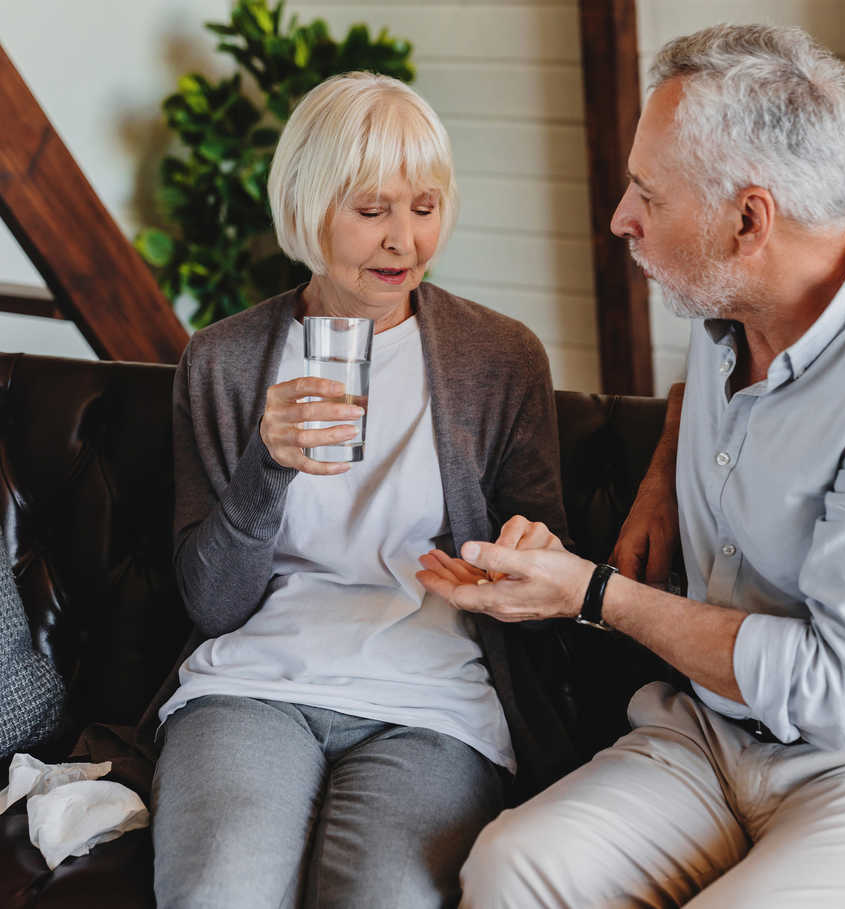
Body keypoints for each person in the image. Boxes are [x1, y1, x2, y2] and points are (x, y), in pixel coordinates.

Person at [417, 24, 845, 908]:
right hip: (711, 733)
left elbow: (837, 692)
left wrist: (592, 592)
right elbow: (726, 390)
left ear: (749, 219)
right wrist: (664, 473)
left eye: (646, 193)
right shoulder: (735, 302)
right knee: (510, 866)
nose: (620, 218)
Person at [150, 71, 575, 909]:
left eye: (424, 207)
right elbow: (211, 603)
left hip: (430, 697)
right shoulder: (224, 361)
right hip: (254, 683)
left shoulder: (501, 358)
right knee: (218, 893)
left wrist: (514, 569)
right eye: (372, 210)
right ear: (308, 209)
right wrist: (264, 467)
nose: (404, 243)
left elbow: (548, 563)